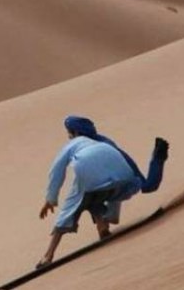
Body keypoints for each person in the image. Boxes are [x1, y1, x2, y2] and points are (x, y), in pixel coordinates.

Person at [36, 115, 169, 269]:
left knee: (73, 205)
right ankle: (103, 227)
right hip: (119, 174)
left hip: (90, 171)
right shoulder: (104, 142)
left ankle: (48, 255)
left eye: (70, 132)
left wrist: (50, 199)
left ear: (76, 133)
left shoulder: (74, 144)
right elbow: (120, 163)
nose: (68, 135)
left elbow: (57, 170)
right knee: (97, 193)